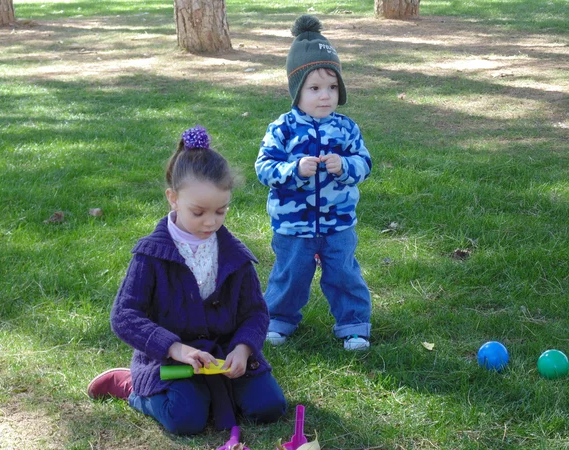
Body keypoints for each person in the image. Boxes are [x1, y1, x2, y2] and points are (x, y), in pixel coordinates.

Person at [87, 126, 286, 435]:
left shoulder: (234, 254)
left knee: (269, 408)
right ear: (173, 199)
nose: (210, 221)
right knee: (185, 420)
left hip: (223, 354)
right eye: (198, 212)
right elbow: (124, 316)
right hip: (173, 359)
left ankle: (221, 393)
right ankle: (132, 387)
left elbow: (255, 312)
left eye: (221, 211)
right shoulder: (151, 255)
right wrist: (175, 348)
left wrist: (243, 349)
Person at [255, 15, 373, 351]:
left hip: (338, 223)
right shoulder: (283, 129)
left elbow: (364, 163)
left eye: (333, 87)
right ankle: (278, 319)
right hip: (293, 225)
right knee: (290, 274)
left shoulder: (347, 129)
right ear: (297, 90)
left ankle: (353, 324)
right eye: (315, 88)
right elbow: (264, 168)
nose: (325, 96)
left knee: (344, 274)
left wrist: (345, 165)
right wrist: (293, 169)